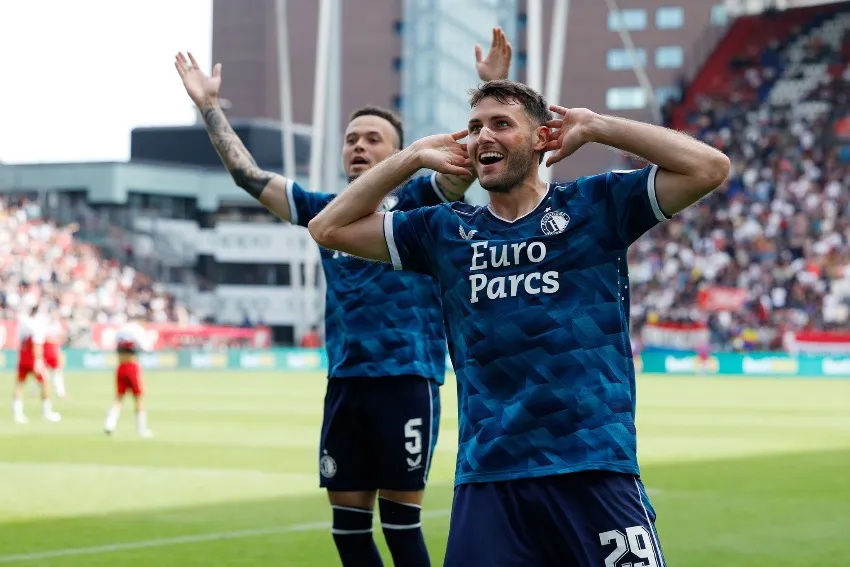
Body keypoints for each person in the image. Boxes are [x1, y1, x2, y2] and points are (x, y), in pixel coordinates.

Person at [307, 79, 731, 566]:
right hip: (490, 480)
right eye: (473, 128)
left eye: (501, 124)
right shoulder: (444, 230)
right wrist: (412, 157)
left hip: (591, 466)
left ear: (541, 138)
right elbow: (327, 228)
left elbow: (709, 167)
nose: (482, 136)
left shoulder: (595, 207)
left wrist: (597, 126)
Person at [174, 28, 511, 567]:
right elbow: (247, 175)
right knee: (349, 535)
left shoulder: (420, 199)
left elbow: (472, 160)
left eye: (373, 138)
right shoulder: (324, 209)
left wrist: (495, 87)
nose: (359, 145)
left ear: (399, 153)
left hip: (406, 379)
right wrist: (211, 108)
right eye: (352, 138)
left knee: (401, 528)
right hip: (346, 384)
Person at [104, 318, 153, 438]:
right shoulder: (138, 330)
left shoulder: (121, 330)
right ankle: (141, 430)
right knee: (139, 398)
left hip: (120, 366)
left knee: (119, 398)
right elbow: (146, 347)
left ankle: (110, 423)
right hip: (132, 367)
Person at [13, 305, 61, 424]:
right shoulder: (36, 326)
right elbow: (37, 343)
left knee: (20, 384)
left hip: (23, 357)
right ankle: (46, 412)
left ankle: (17, 414)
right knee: (45, 382)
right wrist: (38, 360)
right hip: (33, 359)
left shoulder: (24, 324)